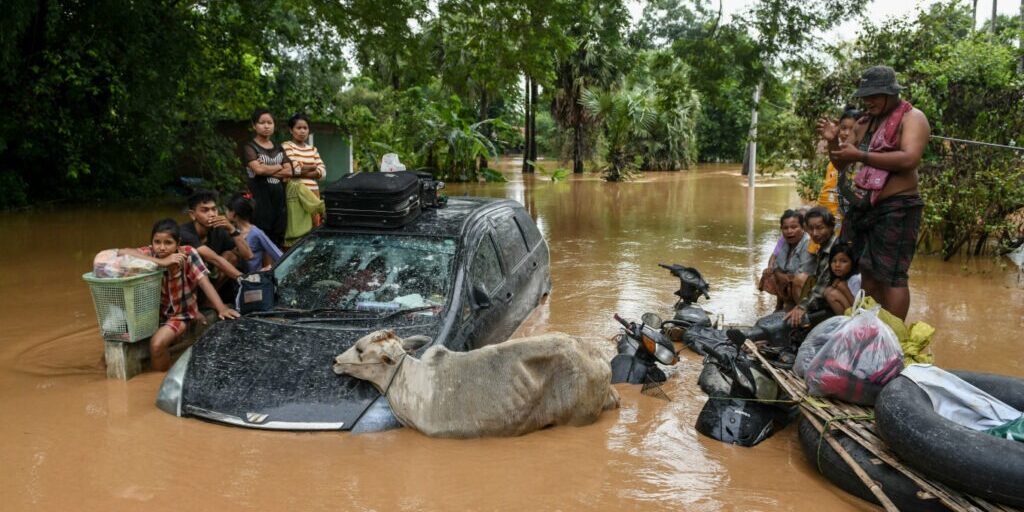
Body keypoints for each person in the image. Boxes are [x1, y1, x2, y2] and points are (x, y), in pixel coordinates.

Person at [818, 65, 930, 321]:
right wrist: (833, 141)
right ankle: (873, 328)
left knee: (892, 276)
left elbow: (909, 159)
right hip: (865, 206)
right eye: (865, 97)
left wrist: (860, 155)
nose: (868, 102)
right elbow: (841, 163)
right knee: (868, 270)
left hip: (898, 206)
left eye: (874, 96)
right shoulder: (864, 123)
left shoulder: (913, 118)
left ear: (891, 93)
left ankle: (895, 336)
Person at [120, 219, 240, 371]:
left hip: (181, 314)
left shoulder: (188, 254)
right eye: (157, 242)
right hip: (155, 314)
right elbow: (122, 252)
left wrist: (221, 308)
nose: (162, 248)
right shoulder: (150, 253)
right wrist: (161, 262)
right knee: (115, 345)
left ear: (178, 244)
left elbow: (204, 282)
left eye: (168, 243)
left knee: (157, 345)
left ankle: (159, 383)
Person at [180, 190, 253, 303]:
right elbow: (214, 259)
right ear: (192, 214)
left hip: (210, 281)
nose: (212, 214)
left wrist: (232, 230)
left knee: (231, 256)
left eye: (214, 209)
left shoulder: (218, 230)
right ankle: (202, 303)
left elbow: (248, 255)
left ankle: (209, 301)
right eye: (205, 210)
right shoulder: (185, 233)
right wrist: (246, 279)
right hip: (187, 284)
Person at [243, 108, 297, 247]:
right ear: (254, 125)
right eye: (262, 123)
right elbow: (258, 170)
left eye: (270, 122)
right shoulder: (250, 147)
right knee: (261, 238)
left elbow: (290, 171)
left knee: (278, 238)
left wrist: (267, 169)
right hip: (260, 202)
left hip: (279, 203)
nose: (266, 126)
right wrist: (279, 166)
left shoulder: (279, 148)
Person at [785, 207, 838, 327]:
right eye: (811, 228)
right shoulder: (823, 246)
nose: (814, 233)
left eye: (820, 228)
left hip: (837, 297)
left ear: (831, 227)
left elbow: (822, 285)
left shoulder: (834, 250)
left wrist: (802, 307)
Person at [759, 210, 815, 310]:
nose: (789, 231)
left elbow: (804, 272)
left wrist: (781, 275)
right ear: (781, 229)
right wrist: (771, 268)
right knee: (768, 274)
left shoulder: (807, 243)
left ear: (802, 227)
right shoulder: (783, 239)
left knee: (794, 280)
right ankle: (780, 305)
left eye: (794, 227)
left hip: (803, 281)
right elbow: (774, 256)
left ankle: (800, 307)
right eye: (785, 228)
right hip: (786, 274)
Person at [817, 106, 862, 225]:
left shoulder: (865, 156)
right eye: (843, 128)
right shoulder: (837, 157)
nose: (846, 133)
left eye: (852, 129)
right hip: (833, 218)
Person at [281, 113, 327, 226]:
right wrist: (313, 168)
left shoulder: (312, 149)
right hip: (297, 194)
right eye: (298, 128)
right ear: (291, 130)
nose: (302, 131)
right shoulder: (287, 146)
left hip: (314, 194)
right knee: (299, 227)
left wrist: (300, 171)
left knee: (314, 226)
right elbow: (293, 168)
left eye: (305, 128)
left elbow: (323, 173)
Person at [226, 194, 283, 273]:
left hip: (254, 279)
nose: (226, 212)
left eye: (228, 210)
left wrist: (268, 269)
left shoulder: (256, 233)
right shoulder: (231, 231)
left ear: (233, 213)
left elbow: (276, 253)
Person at [284, 177, 325, 248]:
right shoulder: (297, 186)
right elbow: (318, 206)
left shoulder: (296, 186)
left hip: (294, 241)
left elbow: (318, 206)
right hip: (298, 241)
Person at [823, 242, 861, 315]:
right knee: (828, 291)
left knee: (831, 294)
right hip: (851, 312)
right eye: (834, 261)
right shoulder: (839, 279)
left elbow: (859, 307)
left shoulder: (855, 279)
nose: (837, 265)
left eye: (844, 261)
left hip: (859, 314)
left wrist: (844, 289)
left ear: (852, 263)